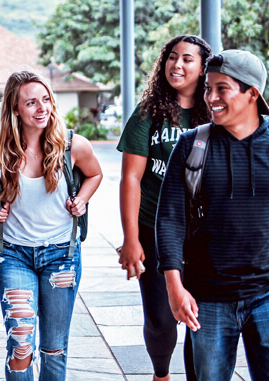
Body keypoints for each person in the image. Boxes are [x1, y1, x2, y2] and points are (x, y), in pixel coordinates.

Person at [157, 50, 269, 380]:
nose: (211, 98)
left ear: (252, 93)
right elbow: (170, 218)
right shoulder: (192, 145)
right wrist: (174, 286)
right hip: (207, 298)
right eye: (208, 88)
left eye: (222, 88)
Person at [0, 70, 102, 380]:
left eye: (46, 100)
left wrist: (81, 199)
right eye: (31, 103)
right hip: (14, 255)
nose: (42, 109)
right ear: (15, 108)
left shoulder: (72, 145)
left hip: (61, 256)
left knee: (54, 347)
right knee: (20, 345)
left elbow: (95, 175)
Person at [116, 35, 212, 381]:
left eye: (188, 59)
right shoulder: (148, 114)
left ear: (203, 69)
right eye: (172, 57)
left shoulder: (215, 114)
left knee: (203, 316)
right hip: (154, 227)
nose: (178, 65)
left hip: (204, 233)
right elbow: (131, 179)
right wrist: (131, 239)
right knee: (159, 318)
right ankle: (161, 375)